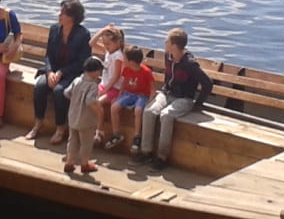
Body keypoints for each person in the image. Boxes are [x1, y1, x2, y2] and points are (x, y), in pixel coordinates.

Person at [133, 28, 213, 171]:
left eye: (167, 41)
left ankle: (162, 157)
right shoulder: (168, 56)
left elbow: (207, 83)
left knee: (166, 115)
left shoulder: (190, 63)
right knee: (149, 111)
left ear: (174, 45)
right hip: (167, 93)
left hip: (184, 98)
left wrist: (198, 104)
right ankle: (146, 152)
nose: (165, 43)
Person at [25, 0, 92, 146]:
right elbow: (48, 54)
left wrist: (61, 72)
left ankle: (60, 128)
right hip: (53, 71)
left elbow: (82, 62)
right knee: (40, 87)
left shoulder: (83, 34)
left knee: (59, 91)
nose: (59, 15)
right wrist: (49, 72)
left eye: (63, 13)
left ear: (73, 17)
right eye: (60, 12)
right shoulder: (54, 29)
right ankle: (38, 124)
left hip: (72, 73)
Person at [107, 46, 153, 150]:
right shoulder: (127, 69)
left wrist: (150, 101)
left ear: (131, 61)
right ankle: (116, 133)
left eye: (125, 58)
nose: (123, 60)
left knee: (138, 110)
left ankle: (137, 136)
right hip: (129, 93)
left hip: (142, 95)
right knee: (114, 107)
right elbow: (124, 82)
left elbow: (152, 87)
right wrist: (119, 95)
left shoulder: (146, 71)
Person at [63, 56, 104, 174]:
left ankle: (69, 163)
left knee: (72, 141)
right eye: (99, 71)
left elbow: (67, 93)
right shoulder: (93, 85)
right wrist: (97, 109)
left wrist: (76, 100)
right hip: (86, 120)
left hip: (73, 116)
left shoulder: (77, 81)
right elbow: (90, 101)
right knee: (86, 143)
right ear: (95, 71)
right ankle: (84, 164)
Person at [89, 25, 125, 143]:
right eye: (104, 44)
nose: (106, 47)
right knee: (87, 98)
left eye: (108, 44)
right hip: (104, 85)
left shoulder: (118, 56)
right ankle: (88, 127)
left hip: (113, 88)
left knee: (97, 102)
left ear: (118, 43)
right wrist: (103, 30)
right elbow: (92, 43)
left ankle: (99, 131)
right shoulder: (108, 52)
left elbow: (116, 77)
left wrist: (105, 90)